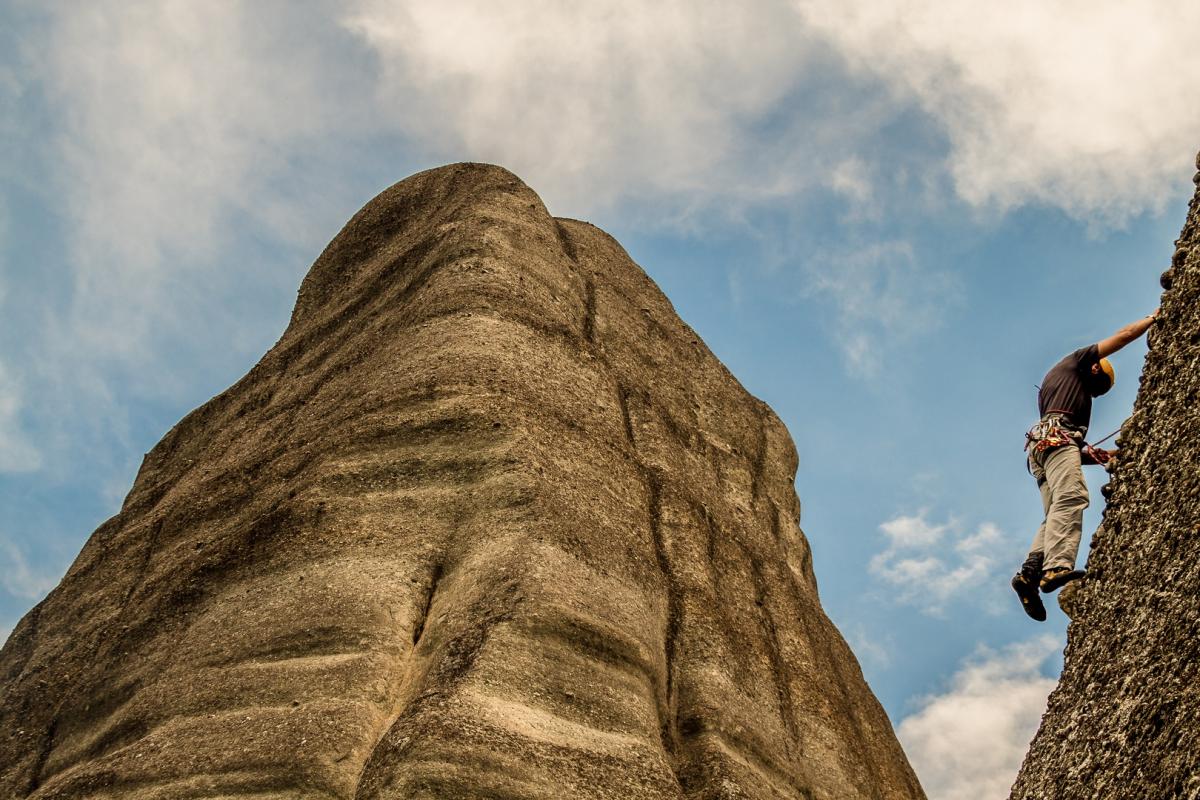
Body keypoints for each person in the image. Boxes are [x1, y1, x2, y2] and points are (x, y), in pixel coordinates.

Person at [1011, 309, 1158, 621]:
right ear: (1096, 369)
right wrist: (1152, 319)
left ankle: (1030, 573)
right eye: (1098, 387)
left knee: (1054, 514)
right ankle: (1056, 568)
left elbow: (1072, 453)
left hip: (1040, 448)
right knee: (1072, 498)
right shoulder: (1078, 361)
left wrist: (1109, 456)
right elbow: (1123, 336)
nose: (1094, 395)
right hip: (1057, 440)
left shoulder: (1056, 385)